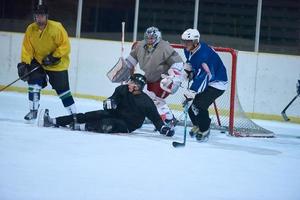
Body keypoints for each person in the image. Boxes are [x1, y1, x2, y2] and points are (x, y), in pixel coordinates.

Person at [42, 74, 175, 136]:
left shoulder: (146, 102)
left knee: (107, 123)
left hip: (128, 125)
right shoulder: (122, 89)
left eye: (131, 82)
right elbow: (111, 100)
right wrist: (109, 103)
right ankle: (54, 121)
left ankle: (80, 127)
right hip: (115, 113)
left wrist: (164, 129)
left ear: (138, 86)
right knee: (93, 114)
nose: (128, 83)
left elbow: (157, 120)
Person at [16, 3, 76, 122]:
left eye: (42, 16)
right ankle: (33, 111)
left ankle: (74, 115)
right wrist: (24, 63)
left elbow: (66, 46)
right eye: (37, 16)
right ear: (35, 16)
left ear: (47, 16)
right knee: (33, 83)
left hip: (57, 64)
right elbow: (27, 48)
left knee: (63, 91)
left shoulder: (56, 28)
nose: (39, 18)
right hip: (39, 62)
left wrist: (54, 56)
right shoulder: (30, 29)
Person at [124, 27, 184, 126]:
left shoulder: (165, 47)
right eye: (147, 38)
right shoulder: (140, 45)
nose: (149, 40)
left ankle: (169, 118)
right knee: (142, 96)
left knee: (153, 98)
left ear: (158, 37)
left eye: (152, 38)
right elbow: (130, 61)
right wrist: (126, 71)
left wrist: (174, 78)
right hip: (149, 78)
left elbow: (178, 63)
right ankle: (156, 117)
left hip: (163, 80)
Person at [180, 28, 228, 141]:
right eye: (184, 41)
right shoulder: (188, 49)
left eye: (188, 41)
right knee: (190, 105)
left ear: (196, 41)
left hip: (217, 83)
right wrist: (189, 70)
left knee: (198, 105)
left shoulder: (204, 56)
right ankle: (198, 125)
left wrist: (192, 91)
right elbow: (191, 62)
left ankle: (205, 129)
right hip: (208, 78)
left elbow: (204, 77)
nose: (185, 44)